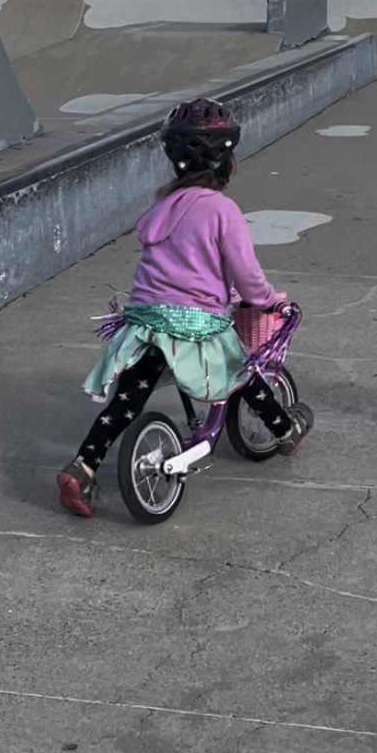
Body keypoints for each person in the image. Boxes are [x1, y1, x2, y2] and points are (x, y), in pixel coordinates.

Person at [57, 97, 313, 518]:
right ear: (226, 159)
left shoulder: (160, 206)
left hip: (145, 318)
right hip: (194, 322)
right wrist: (267, 300)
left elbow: (179, 270)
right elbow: (246, 278)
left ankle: (82, 468)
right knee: (240, 372)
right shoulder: (222, 210)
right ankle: (285, 431)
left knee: (128, 397)